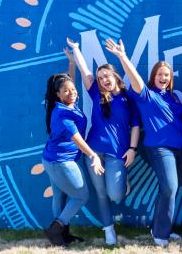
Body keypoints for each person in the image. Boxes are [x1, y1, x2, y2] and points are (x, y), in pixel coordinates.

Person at [105, 39, 182, 247]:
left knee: (166, 189)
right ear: (154, 77)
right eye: (160, 75)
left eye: (166, 75)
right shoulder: (147, 96)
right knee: (170, 187)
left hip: (178, 149)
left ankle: (160, 228)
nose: (163, 78)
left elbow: (179, 120)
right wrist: (122, 56)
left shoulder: (173, 97)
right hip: (159, 148)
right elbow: (135, 79)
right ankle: (160, 235)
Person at [66, 38, 140, 245]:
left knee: (115, 195)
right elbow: (84, 71)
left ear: (115, 76)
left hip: (118, 153)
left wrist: (133, 149)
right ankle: (109, 230)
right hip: (94, 151)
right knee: (101, 194)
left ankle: (123, 181)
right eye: (100, 78)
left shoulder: (128, 97)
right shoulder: (97, 93)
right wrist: (76, 49)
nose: (103, 80)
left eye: (106, 76)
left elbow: (135, 125)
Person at [43, 73, 104, 246]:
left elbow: (70, 85)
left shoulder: (68, 104)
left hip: (52, 158)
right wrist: (93, 156)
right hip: (60, 162)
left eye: (73, 90)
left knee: (59, 197)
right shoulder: (63, 115)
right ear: (58, 95)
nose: (72, 93)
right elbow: (77, 140)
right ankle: (55, 229)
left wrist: (71, 63)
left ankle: (62, 236)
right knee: (81, 196)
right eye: (66, 91)